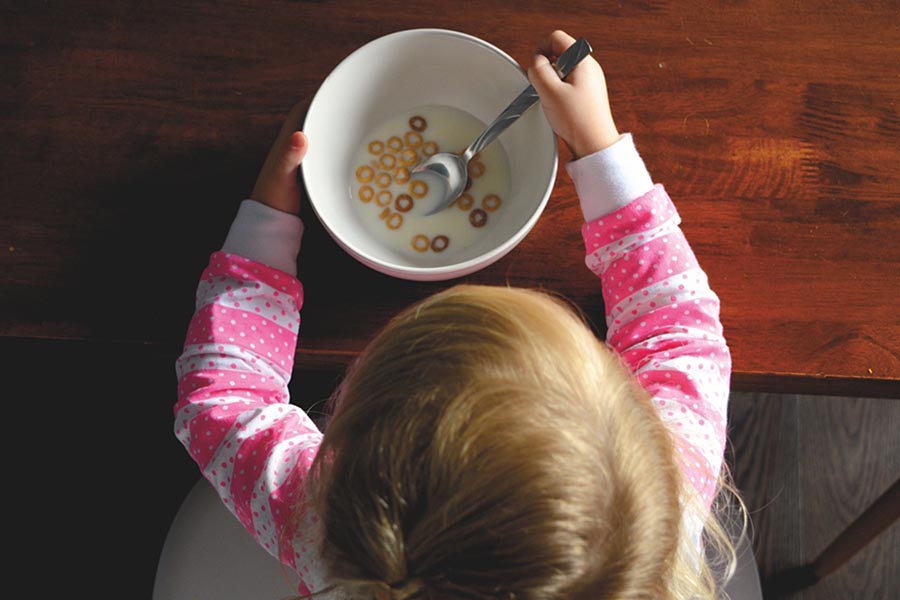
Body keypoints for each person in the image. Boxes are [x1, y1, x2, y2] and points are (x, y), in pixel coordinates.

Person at [175, 29, 743, 600]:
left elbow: (224, 400)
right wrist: (599, 145)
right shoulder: (665, 502)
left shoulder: (321, 521)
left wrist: (269, 214)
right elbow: (677, 330)